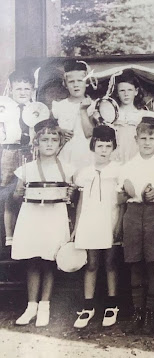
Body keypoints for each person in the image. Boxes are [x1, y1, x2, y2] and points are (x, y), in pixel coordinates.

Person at [12, 118, 75, 327]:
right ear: (36, 143)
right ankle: (31, 306)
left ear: (60, 144)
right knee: (33, 260)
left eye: (53, 140)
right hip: (32, 217)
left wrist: (72, 193)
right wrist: (17, 192)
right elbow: (14, 197)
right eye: (45, 140)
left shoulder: (67, 168)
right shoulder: (26, 169)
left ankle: (45, 306)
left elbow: (72, 197)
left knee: (49, 261)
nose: (49, 143)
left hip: (54, 217)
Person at [119, 116, 154, 334]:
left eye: (152, 138)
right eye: (143, 138)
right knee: (135, 263)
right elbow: (120, 196)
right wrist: (128, 190)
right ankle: (137, 311)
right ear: (136, 139)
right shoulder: (128, 165)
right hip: (133, 214)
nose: (147, 142)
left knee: (152, 263)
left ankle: (151, 313)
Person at [72, 125, 123, 328]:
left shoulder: (118, 170)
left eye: (107, 146)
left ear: (113, 148)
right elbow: (81, 202)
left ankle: (112, 305)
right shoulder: (85, 172)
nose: (103, 150)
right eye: (100, 145)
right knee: (91, 264)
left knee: (110, 263)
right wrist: (77, 227)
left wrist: (119, 223)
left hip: (109, 219)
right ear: (93, 146)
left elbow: (121, 201)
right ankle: (88, 306)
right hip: (89, 221)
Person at [1, 69, 35, 246]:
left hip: (29, 152)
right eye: (19, 89)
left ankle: (24, 234)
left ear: (32, 90)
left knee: (25, 192)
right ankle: (9, 236)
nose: (23, 92)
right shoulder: (5, 109)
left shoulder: (36, 109)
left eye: (26, 89)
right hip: (9, 152)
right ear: (11, 90)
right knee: (8, 193)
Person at [52, 60, 94, 170]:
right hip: (65, 154)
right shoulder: (59, 106)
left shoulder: (93, 105)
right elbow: (50, 128)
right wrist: (59, 130)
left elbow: (89, 133)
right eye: (71, 82)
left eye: (80, 81)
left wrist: (83, 110)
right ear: (65, 84)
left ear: (87, 82)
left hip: (87, 155)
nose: (76, 85)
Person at [110, 70, 154, 163]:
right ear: (117, 93)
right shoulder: (110, 114)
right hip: (115, 156)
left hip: (136, 156)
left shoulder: (145, 115)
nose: (126, 94)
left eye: (129, 90)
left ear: (136, 92)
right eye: (122, 90)